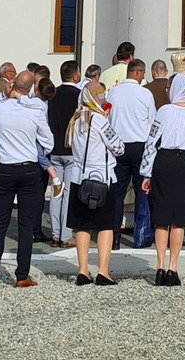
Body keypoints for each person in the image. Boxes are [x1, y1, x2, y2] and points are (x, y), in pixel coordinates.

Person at [0, 73, 55, 289]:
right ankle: (22, 274)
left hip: (5, 168)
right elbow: (48, 142)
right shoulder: (35, 110)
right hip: (28, 168)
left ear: (13, 85)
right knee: (25, 223)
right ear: (31, 88)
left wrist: (6, 95)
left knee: (0, 222)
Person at [140, 72, 185, 286]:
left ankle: (160, 266)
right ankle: (173, 268)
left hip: (164, 161)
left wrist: (147, 173)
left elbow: (151, 141)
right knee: (179, 219)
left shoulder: (164, 111)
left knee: (162, 217)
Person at [66, 78, 122, 285]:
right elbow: (118, 146)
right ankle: (103, 271)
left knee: (83, 226)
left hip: (79, 177)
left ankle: (82, 270)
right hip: (102, 178)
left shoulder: (75, 118)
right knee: (105, 225)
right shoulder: (99, 120)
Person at [106, 58, 157, 246]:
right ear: (137, 73)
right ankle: (141, 235)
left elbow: (108, 119)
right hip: (139, 146)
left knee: (117, 192)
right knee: (141, 190)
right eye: (143, 73)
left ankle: (114, 237)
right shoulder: (145, 94)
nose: (143, 77)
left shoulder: (113, 93)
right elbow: (152, 122)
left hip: (119, 145)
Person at [46, 60, 83, 245]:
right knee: (68, 193)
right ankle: (66, 235)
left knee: (56, 191)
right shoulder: (79, 95)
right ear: (75, 76)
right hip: (72, 149)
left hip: (55, 148)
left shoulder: (52, 94)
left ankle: (55, 233)